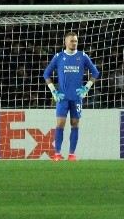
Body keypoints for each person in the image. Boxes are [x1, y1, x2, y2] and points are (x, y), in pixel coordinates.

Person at [43, 31, 101, 161]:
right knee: (60, 124)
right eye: (71, 41)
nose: (74, 43)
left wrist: (87, 87)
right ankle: (57, 153)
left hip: (76, 97)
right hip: (62, 97)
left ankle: (71, 154)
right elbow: (46, 74)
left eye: (75, 41)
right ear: (65, 42)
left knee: (75, 124)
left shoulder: (82, 56)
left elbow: (96, 72)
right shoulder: (59, 57)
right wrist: (53, 90)